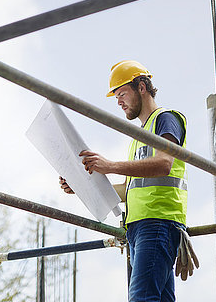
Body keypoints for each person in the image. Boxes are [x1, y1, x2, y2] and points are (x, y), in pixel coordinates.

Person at [59, 60, 188, 302]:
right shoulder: (139, 137)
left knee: (141, 298)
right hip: (141, 227)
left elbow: (164, 164)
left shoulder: (166, 119)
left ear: (141, 87)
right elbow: (129, 190)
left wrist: (110, 166)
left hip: (157, 222)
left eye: (121, 94)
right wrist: (79, 186)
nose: (118, 102)